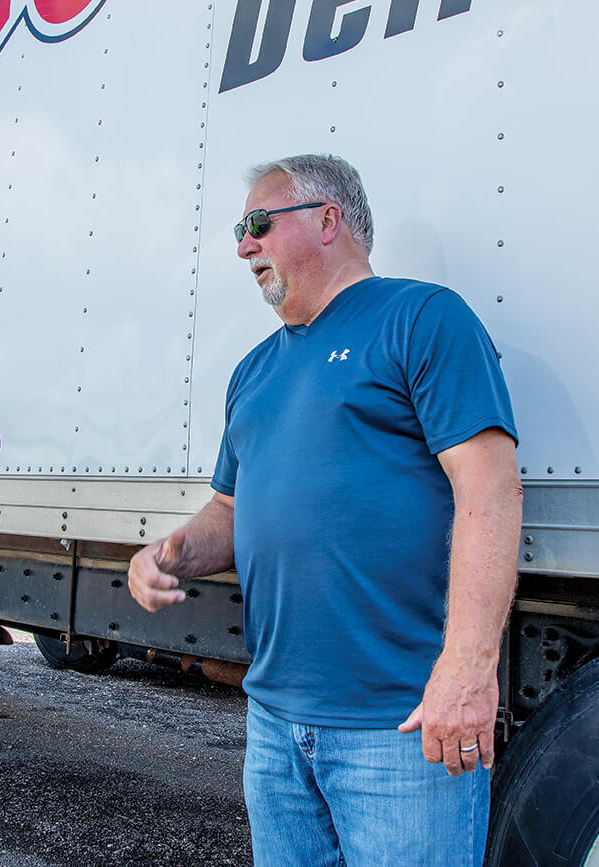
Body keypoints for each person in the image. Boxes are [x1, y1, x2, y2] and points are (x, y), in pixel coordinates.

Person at [129, 155, 522, 865]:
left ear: (327, 220)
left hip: (398, 725)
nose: (242, 244)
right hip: (275, 723)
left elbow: (489, 492)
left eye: (256, 223)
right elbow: (229, 509)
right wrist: (171, 551)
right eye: (238, 231)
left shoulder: (421, 318)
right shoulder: (253, 370)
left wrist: (467, 669)